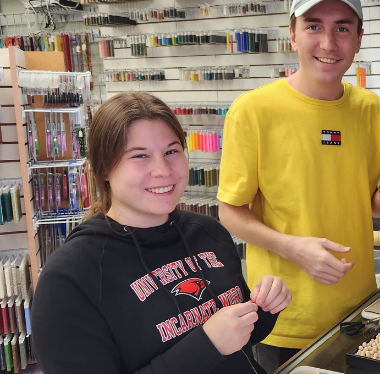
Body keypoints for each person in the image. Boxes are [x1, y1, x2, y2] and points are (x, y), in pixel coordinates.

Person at [216, 0, 380, 372]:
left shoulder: (372, 110)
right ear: (293, 34)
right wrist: (292, 248)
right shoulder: (253, 111)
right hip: (284, 319)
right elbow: (230, 211)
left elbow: (376, 209)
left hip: (360, 312)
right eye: (314, 26)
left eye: (342, 28)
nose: (329, 44)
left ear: (359, 38)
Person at [32, 92, 291, 374]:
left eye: (171, 151)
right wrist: (206, 346)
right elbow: (214, 345)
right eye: (140, 156)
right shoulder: (70, 278)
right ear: (104, 168)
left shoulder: (208, 231)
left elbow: (239, 341)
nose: (162, 170)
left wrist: (263, 307)